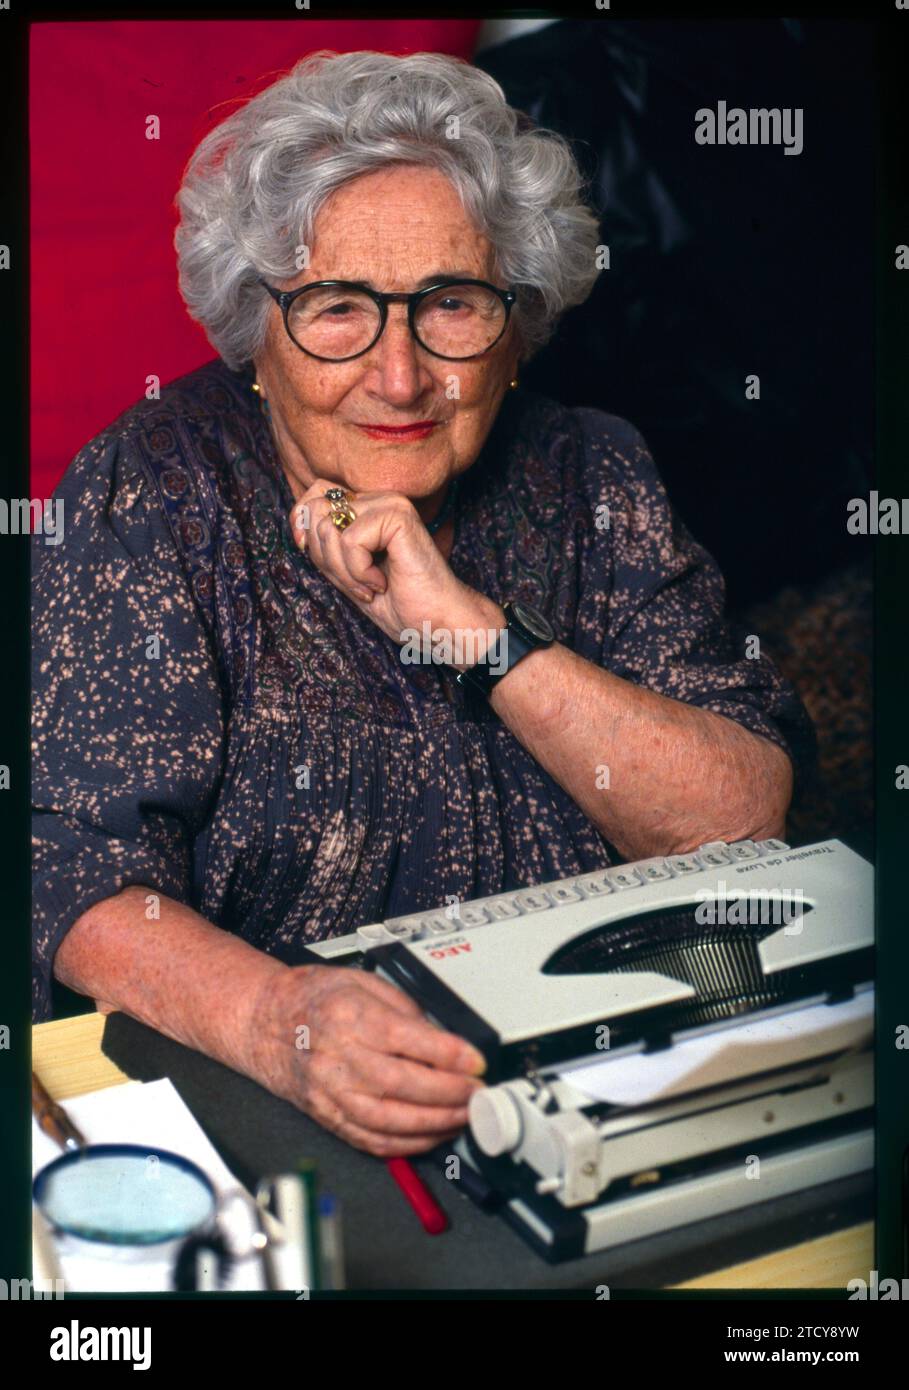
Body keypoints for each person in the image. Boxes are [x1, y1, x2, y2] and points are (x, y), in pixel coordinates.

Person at [32, 50, 816, 1156]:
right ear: (256, 335)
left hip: (603, 1082)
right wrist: (280, 1021)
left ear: (514, 326)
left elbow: (743, 819)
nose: (400, 377)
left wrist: (483, 638)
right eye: (338, 309)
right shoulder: (152, 496)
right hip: (274, 1112)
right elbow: (72, 872)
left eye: (450, 305)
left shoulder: (593, 475)